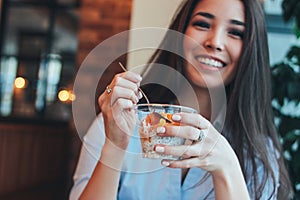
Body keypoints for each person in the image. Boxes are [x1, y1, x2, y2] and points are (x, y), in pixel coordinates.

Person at [69, 0, 293, 199]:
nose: (214, 41)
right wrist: (115, 146)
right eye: (202, 24)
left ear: (251, 50)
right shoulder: (116, 125)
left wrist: (227, 167)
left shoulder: (257, 151)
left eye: (235, 32)